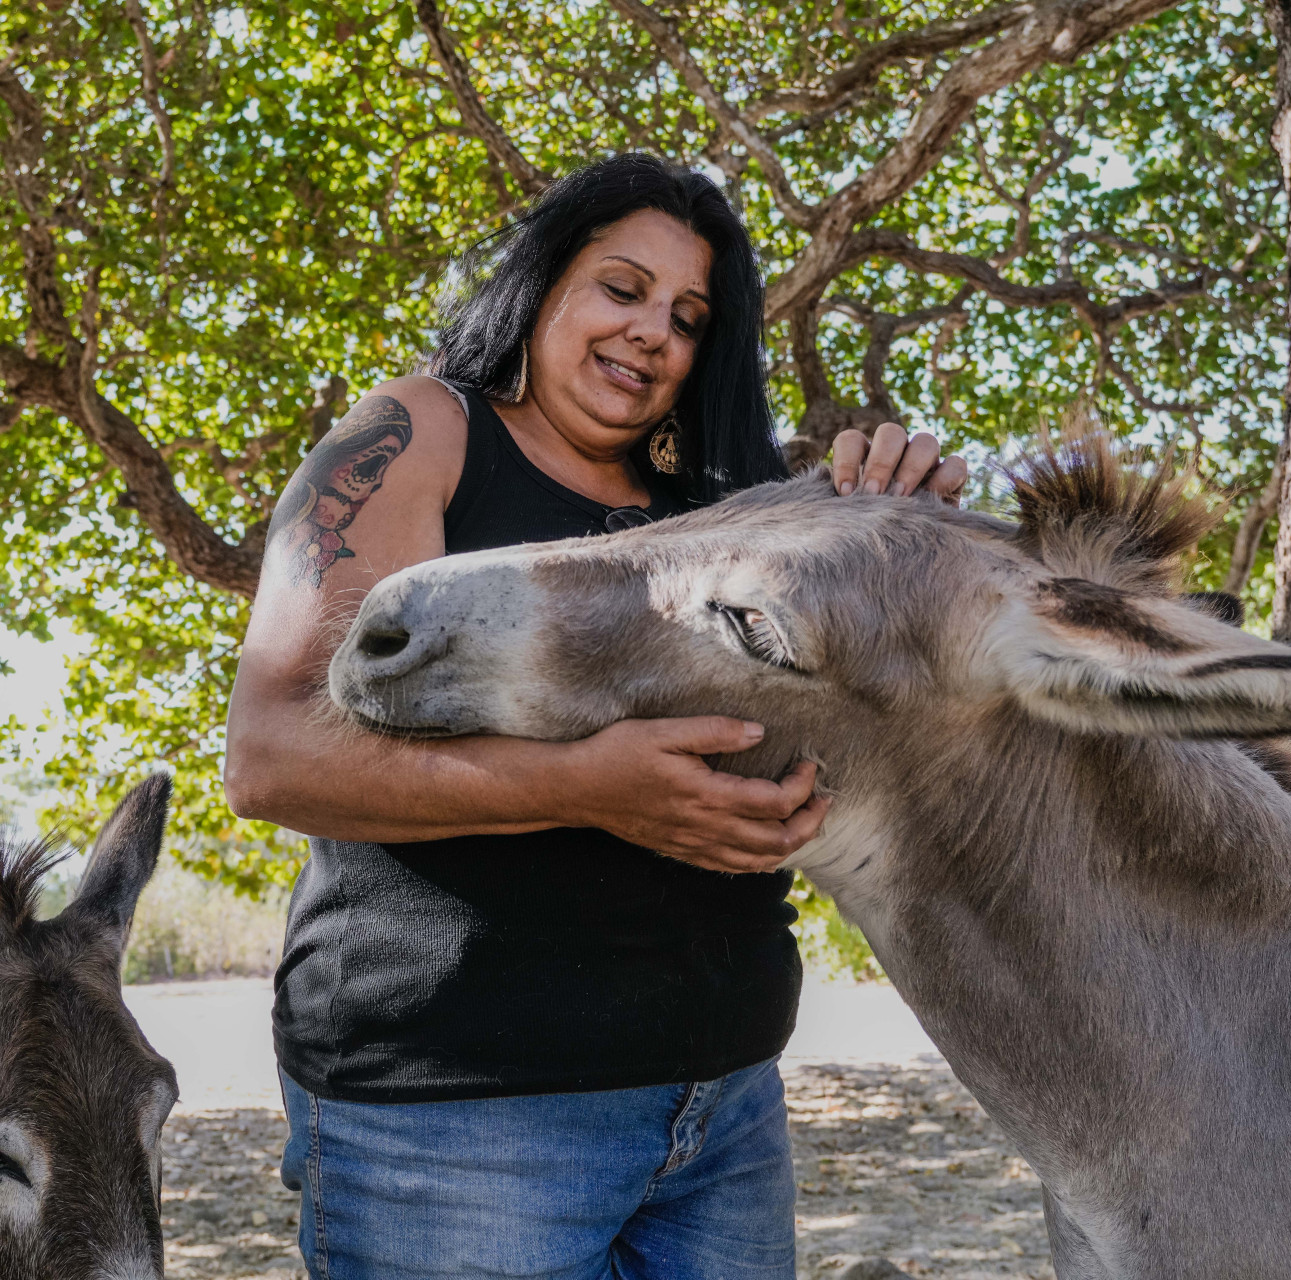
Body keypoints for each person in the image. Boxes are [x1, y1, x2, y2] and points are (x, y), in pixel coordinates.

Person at [223, 153, 964, 1280]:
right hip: (461, 1119)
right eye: (622, 288)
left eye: (688, 316)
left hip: (724, 1110)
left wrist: (890, 518)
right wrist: (587, 787)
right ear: (543, 283)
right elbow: (272, 757)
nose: (652, 333)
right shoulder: (419, 432)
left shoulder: (723, 506)